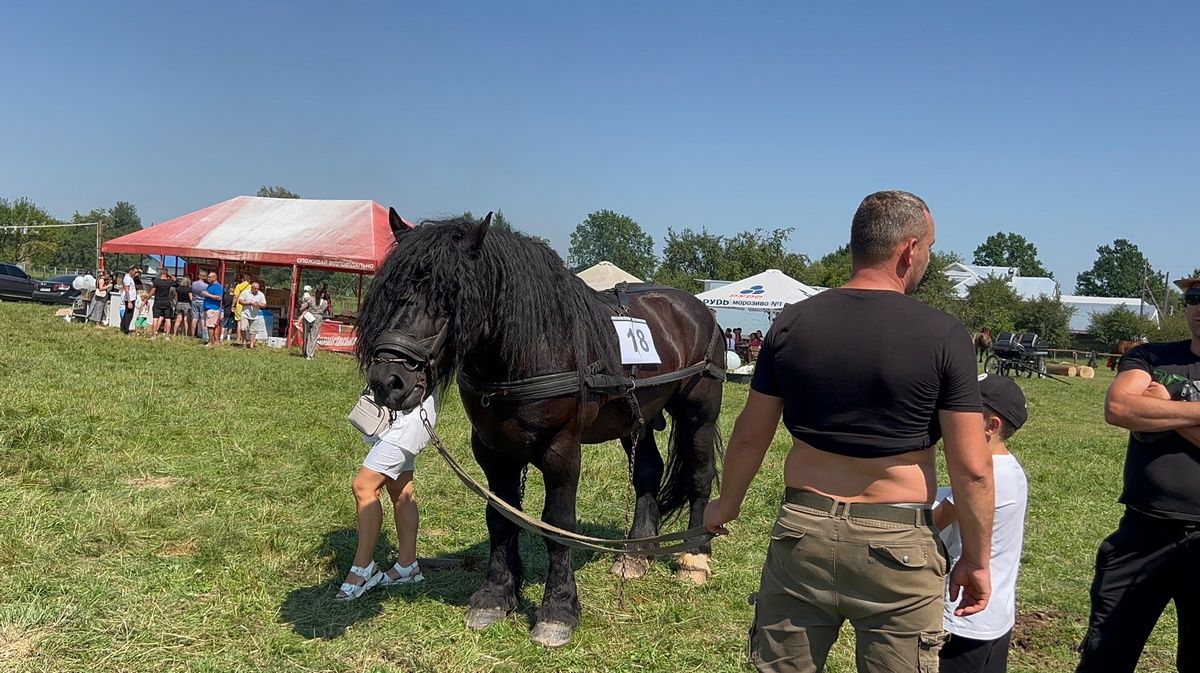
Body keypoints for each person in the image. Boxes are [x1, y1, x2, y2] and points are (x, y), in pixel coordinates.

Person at [703, 190, 994, 673]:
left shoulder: (793, 322)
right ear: (908, 250)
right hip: (898, 545)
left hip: (802, 532)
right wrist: (978, 561)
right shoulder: (943, 333)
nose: (927, 259)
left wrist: (726, 502)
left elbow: (751, 433)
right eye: (930, 248)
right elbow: (973, 469)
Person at [1076, 276, 1200, 673]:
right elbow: (1119, 409)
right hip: (1142, 533)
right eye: (1195, 296)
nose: (1199, 305)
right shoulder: (1152, 356)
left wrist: (1165, 405)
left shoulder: (1160, 376)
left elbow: (1140, 409)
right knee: (1104, 655)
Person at [935, 373, 1029, 673]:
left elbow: (931, 524)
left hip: (962, 618)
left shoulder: (984, 478)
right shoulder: (1008, 469)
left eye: (963, 411)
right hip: (994, 617)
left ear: (991, 426)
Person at [336, 392, 438, 600]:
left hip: (412, 416)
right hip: (397, 413)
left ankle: (363, 570)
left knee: (363, 486)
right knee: (400, 490)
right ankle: (407, 566)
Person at [298, 287, 327, 360]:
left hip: (308, 317)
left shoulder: (310, 300)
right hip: (318, 319)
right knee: (313, 337)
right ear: (322, 294)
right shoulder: (325, 303)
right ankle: (310, 354)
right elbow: (324, 310)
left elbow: (301, 308)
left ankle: (305, 352)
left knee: (306, 335)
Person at [237, 281, 268, 349]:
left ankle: (251, 344)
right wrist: (249, 303)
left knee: (253, 331)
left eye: (257, 288)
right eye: (255, 288)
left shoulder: (261, 294)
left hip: (255, 315)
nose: (256, 290)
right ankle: (244, 342)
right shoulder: (245, 292)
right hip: (245, 314)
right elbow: (240, 301)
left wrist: (259, 305)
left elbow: (264, 304)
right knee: (243, 329)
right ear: (251, 288)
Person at [149, 270, 176, 339]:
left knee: (155, 319)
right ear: (166, 273)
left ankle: (154, 335)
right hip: (166, 302)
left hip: (157, 302)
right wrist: (169, 275)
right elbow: (174, 279)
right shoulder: (169, 282)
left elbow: (153, 291)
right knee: (168, 319)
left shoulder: (156, 281)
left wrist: (147, 297)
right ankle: (167, 336)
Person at [201, 271, 224, 348]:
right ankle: (212, 340)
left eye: (209, 277)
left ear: (214, 277)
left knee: (211, 326)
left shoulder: (218, 286)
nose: (208, 278)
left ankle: (211, 342)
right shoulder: (210, 285)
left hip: (213, 308)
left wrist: (207, 294)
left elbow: (219, 297)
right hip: (207, 308)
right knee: (208, 326)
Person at [231, 273, 251, 345]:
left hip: (239, 306)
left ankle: (238, 338)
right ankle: (246, 339)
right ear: (249, 280)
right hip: (248, 307)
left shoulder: (238, 286)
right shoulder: (251, 287)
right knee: (247, 324)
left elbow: (236, 296)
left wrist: (233, 305)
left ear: (242, 279)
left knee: (239, 323)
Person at [120, 265, 140, 334]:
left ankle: (123, 328)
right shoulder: (127, 279)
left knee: (127, 314)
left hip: (132, 298)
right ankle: (126, 330)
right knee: (129, 315)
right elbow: (127, 290)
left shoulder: (130, 278)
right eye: (135, 272)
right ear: (131, 271)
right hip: (130, 299)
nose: (135, 273)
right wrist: (129, 301)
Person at [191, 274, 209, 340]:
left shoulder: (193, 284)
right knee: (202, 318)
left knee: (194, 318)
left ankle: (192, 334)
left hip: (194, 300)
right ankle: (202, 334)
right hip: (202, 301)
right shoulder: (206, 286)